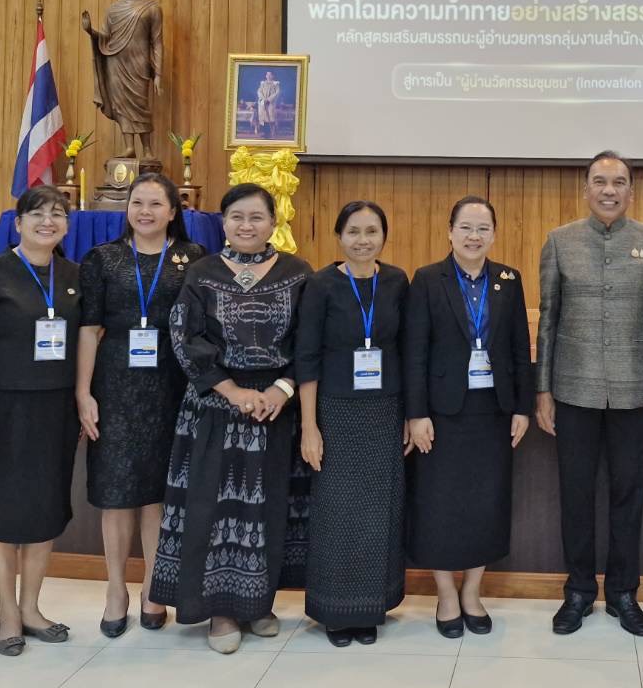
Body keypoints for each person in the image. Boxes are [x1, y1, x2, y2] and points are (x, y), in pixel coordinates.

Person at [148, 183, 312, 654]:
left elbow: (312, 340)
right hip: (216, 408)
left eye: (256, 217)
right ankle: (221, 610)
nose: (246, 225)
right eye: (237, 217)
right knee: (217, 510)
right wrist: (234, 391)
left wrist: (281, 390)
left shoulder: (298, 273)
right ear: (223, 222)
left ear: (273, 222)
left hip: (277, 409)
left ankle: (258, 603)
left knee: (268, 509)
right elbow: (186, 339)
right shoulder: (201, 273)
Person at [536, 150, 643, 637]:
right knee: (575, 495)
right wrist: (543, 391)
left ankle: (622, 593)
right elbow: (548, 322)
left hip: (636, 393)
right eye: (600, 181)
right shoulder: (559, 242)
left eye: (618, 182)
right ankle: (577, 592)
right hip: (573, 390)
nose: (609, 190)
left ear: (631, 190)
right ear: (586, 187)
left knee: (629, 494)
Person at [75, 173, 205, 637]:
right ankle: (115, 589)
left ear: (174, 211)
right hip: (115, 386)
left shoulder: (192, 260)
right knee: (115, 493)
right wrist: (83, 391)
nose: (145, 211)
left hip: (173, 386)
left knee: (158, 494)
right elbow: (88, 329)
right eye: (137, 203)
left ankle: (154, 586)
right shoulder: (102, 259)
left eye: (156, 203)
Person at [0, 184, 83, 657]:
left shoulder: (73, 275)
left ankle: (32, 608)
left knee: (45, 511)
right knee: (6, 515)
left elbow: (86, 341)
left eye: (57, 215)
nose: (47, 222)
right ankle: (7, 613)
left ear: (67, 226)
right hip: (4, 409)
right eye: (37, 214)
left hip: (55, 410)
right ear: (18, 223)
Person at [404, 195, 532, 637]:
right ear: (449, 231)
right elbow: (414, 352)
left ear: (494, 234)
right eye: (465, 227)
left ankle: (473, 591)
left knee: (485, 502)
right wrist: (416, 413)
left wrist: (522, 407)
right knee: (440, 503)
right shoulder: (426, 280)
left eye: (482, 228)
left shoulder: (508, 280)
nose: (474, 236)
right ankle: (444, 593)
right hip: (442, 413)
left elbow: (519, 349)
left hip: (492, 411)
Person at [297, 201, 410, 647]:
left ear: (384, 235)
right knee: (337, 509)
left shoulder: (398, 281)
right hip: (336, 411)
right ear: (339, 236)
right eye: (354, 232)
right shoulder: (321, 285)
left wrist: (407, 413)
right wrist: (310, 426)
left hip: (385, 411)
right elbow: (306, 357)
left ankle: (371, 605)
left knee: (380, 509)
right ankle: (333, 609)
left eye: (372, 231)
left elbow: (406, 349)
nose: (363, 240)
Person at [81, 0, 163, 160]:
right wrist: (91, 32)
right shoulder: (113, 10)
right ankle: (129, 146)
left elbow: (157, 41)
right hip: (115, 62)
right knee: (121, 105)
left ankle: (147, 149)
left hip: (139, 65)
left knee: (140, 104)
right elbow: (107, 38)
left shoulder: (152, 8)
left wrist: (158, 73)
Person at [255, 71, 282, 139]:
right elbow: (259, 91)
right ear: (266, 76)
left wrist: (269, 99)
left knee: (270, 117)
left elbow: (277, 93)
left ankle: (270, 133)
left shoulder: (275, 84)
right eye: (267, 74)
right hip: (263, 103)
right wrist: (263, 99)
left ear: (273, 76)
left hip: (270, 103)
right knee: (263, 118)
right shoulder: (263, 83)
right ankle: (264, 133)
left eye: (270, 75)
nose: (268, 76)